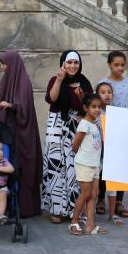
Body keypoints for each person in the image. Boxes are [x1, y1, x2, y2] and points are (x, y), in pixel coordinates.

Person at [43, 50, 93, 222]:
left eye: (75, 63)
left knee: (74, 166)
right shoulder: (54, 79)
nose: (72, 66)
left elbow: (89, 108)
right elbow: (51, 98)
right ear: (63, 63)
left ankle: (75, 211)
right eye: (69, 62)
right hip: (56, 126)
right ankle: (56, 210)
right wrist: (58, 80)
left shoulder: (85, 83)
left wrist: (81, 98)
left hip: (76, 128)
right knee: (56, 165)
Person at [0, 49, 42, 218]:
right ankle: (9, 205)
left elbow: (25, 108)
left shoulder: (23, 83)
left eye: (5, 64)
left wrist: (11, 106)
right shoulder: (8, 80)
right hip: (10, 132)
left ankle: (26, 208)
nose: (2, 67)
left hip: (23, 133)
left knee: (23, 166)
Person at [96, 50, 128, 218]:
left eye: (122, 65)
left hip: (123, 131)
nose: (120, 68)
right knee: (103, 165)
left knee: (121, 166)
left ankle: (119, 201)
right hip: (105, 131)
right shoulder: (103, 83)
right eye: (116, 65)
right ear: (109, 65)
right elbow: (95, 105)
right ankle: (100, 199)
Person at [70, 94, 106, 236]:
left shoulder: (94, 124)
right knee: (85, 194)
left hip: (95, 164)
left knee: (94, 194)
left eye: (99, 107)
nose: (97, 110)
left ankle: (90, 224)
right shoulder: (84, 124)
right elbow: (75, 144)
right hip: (85, 164)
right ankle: (74, 221)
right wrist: (82, 156)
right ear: (86, 108)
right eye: (93, 107)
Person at [94, 82, 124, 226]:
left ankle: (112, 214)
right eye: (103, 92)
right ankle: (89, 213)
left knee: (112, 185)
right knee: (94, 183)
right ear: (97, 95)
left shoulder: (117, 113)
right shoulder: (95, 113)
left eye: (109, 92)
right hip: (97, 152)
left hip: (112, 153)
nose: (107, 94)